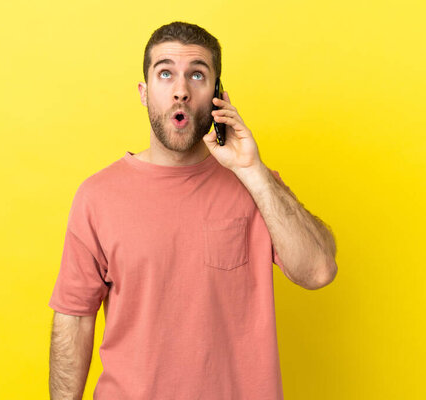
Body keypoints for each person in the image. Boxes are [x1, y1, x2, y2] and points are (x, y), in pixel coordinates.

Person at [48, 21, 337, 400]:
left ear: (218, 95)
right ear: (144, 91)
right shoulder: (96, 197)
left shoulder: (254, 185)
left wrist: (253, 171)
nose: (181, 91)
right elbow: (74, 320)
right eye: (165, 73)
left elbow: (318, 270)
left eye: (197, 75)